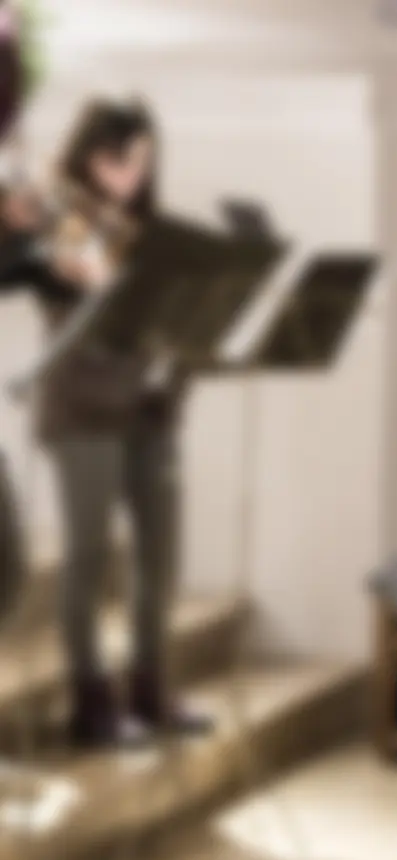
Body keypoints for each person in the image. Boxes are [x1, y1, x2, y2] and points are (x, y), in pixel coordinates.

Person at [0, 99, 209, 748]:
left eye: (142, 162)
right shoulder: (56, 223)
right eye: (119, 160)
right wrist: (30, 240)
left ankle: (150, 687)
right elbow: (18, 273)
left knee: (161, 556)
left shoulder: (149, 233)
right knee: (86, 557)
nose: (131, 177)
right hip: (85, 411)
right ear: (90, 158)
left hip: (150, 411)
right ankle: (92, 701)